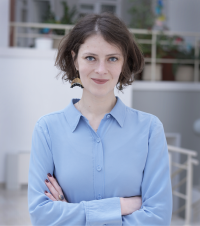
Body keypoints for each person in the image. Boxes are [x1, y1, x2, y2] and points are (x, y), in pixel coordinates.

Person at [28, 12, 172, 226]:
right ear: (75, 59)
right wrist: (119, 207)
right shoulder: (48, 130)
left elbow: (158, 218)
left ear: (124, 63)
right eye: (90, 58)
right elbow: (41, 216)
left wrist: (69, 210)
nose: (101, 70)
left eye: (112, 58)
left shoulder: (150, 130)